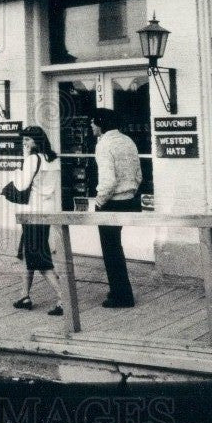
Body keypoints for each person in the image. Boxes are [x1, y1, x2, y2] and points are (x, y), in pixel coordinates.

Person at [10, 126, 66, 316]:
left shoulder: (33, 159)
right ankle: (24, 295)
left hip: (32, 211)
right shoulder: (54, 159)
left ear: (36, 140)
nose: (24, 143)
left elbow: (22, 185)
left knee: (39, 258)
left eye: (27, 140)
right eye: (23, 140)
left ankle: (63, 298)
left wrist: (17, 171)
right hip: (46, 210)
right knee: (29, 253)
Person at [90, 108, 143, 308]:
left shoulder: (104, 145)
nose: (91, 125)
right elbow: (138, 174)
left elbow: (108, 181)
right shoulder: (128, 141)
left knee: (111, 250)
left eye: (93, 122)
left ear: (101, 123)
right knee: (116, 248)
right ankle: (119, 289)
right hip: (130, 200)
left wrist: (99, 202)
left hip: (111, 203)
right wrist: (131, 191)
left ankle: (121, 296)